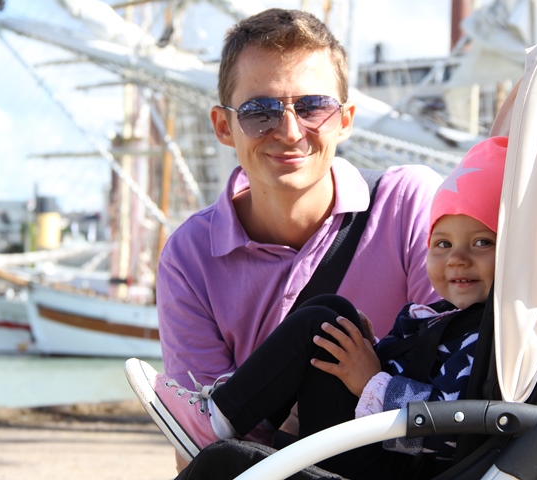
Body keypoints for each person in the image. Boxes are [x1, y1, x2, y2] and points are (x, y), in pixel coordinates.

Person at [154, 7, 442, 464]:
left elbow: (452, 373)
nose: (290, 132)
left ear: (344, 120)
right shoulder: (190, 258)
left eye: (312, 107)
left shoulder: (408, 206)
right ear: (224, 126)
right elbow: (202, 452)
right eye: (260, 112)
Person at [128, 135, 508, 480]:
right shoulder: (441, 316)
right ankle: (227, 420)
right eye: (442, 244)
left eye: (481, 243)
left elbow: (452, 430)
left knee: (319, 324)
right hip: (369, 442)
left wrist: (372, 381)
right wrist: (373, 349)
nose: (457, 258)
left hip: (392, 463)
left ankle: (216, 423)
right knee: (332, 317)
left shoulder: (485, 338)